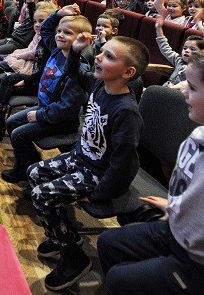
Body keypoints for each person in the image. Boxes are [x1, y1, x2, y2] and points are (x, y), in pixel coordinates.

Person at [98, 41, 204, 294]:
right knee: (109, 242)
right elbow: (198, 188)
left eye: (192, 88)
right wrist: (176, 205)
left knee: (120, 279)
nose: (183, 92)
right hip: (179, 231)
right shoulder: (200, 133)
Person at [29, 34, 148, 290]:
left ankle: (74, 257)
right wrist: (75, 51)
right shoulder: (98, 84)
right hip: (80, 158)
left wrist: (98, 195)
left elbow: (124, 164)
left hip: (97, 174)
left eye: (109, 57)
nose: (98, 57)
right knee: (35, 172)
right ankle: (61, 233)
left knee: (41, 196)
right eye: (101, 52)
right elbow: (73, 71)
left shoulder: (126, 112)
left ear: (128, 72)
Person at [0, 5, 93, 182]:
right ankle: (29, 163)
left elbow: (67, 108)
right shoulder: (57, 49)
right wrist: (59, 14)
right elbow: (46, 28)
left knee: (19, 134)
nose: (60, 35)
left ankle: (27, 169)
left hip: (62, 121)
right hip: (45, 108)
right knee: (11, 123)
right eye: (59, 31)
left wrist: (40, 115)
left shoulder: (79, 70)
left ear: (81, 40)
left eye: (67, 33)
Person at [155, 16, 204, 87]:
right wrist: (158, 28)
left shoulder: (199, 69)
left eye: (192, 49)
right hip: (166, 89)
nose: (187, 51)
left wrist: (173, 88)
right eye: (185, 48)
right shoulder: (179, 60)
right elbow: (165, 48)